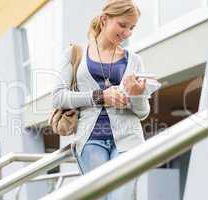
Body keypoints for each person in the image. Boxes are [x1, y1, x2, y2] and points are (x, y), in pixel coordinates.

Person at [52, 0, 150, 199]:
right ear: (105, 19)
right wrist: (101, 96)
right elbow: (58, 98)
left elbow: (143, 112)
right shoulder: (75, 53)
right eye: (122, 25)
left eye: (132, 28)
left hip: (129, 138)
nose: (127, 33)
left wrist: (137, 94)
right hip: (91, 140)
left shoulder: (134, 60)